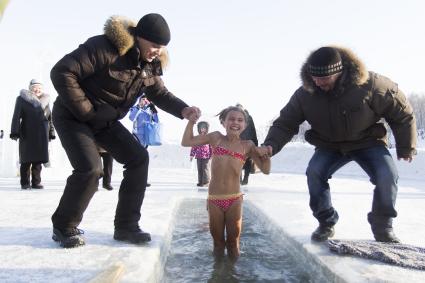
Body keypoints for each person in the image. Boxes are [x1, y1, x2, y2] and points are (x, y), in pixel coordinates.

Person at [50, 13, 201, 248]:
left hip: (105, 121)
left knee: (138, 158)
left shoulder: (149, 65)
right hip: (73, 115)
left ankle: (126, 226)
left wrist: (184, 109)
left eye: (161, 48)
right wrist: (87, 112)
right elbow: (62, 71)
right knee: (90, 169)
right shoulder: (104, 47)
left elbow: (158, 93)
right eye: (154, 45)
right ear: (139, 37)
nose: (157, 52)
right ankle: (64, 226)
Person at [259, 46, 417, 243]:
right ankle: (326, 222)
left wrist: (406, 146)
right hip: (329, 145)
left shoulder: (371, 84)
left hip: (367, 141)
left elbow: (402, 112)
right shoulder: (305, 93)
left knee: (388, 175)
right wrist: (270, 145)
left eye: (324, 79)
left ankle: (383, 226)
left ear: (339, 72)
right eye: (315, 79)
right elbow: (286, 123)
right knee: (315, 172)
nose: (319, 83)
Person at [181, 106, 270, 258]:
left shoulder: (247, 145)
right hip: (215, 200)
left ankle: (232, 276)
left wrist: (267, 154)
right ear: (223, 122)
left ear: (245, 125)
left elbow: (265, 169)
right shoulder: (216, 138)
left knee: (233, 242)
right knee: (218, 243)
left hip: (234, 199)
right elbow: (186, 142)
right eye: (231, 119)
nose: (235, 122)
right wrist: (191, 122)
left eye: (240, 120)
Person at [10, 79, 55, 190]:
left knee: (38, 161)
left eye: (39, 88)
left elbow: (50, 118)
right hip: (27, 133)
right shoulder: (22, 99)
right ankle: (25, 183)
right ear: (30, 89)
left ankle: (36, 182)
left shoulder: (46, 100)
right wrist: (14, 132)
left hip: (42, 134)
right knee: (26, 160)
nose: (37, 90)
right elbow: (16, 116)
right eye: (35, 87)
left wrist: (51, 133)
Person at [236, 104, 258, 185]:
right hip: (238, 143)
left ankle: (245, 178)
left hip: (248, 143)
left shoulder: (249, 118)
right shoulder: (235, 118)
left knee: (248, 161)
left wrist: (255, 144)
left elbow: (253, 131)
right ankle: (239, 179)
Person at [189, 121, 212, 187]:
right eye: (201, 128)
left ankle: (206, 182)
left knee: (205, 169)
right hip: (198, 156)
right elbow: (194, 147)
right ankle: (200, 181)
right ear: (199, 129)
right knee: (200, 169)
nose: (203, 129)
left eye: (204, 128)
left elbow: (211, 147)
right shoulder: (197, 138)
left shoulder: (208, 137)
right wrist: (191, 155)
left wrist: (212, 155)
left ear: (207, 129)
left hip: (206, 156)